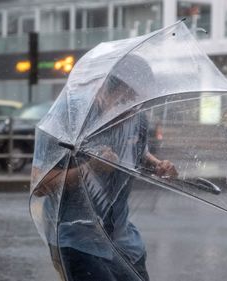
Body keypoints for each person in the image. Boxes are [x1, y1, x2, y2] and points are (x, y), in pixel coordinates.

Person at [33, 61, 177, 281]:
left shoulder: (136, 116)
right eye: (127, 100)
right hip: (76, 239)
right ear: (105, 90)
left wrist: (157, 165)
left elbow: (138, 152)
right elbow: (40, 185)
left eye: (138, 101)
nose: (133, 109)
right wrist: (90, 168)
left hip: (123, 240)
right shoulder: (69, 117)